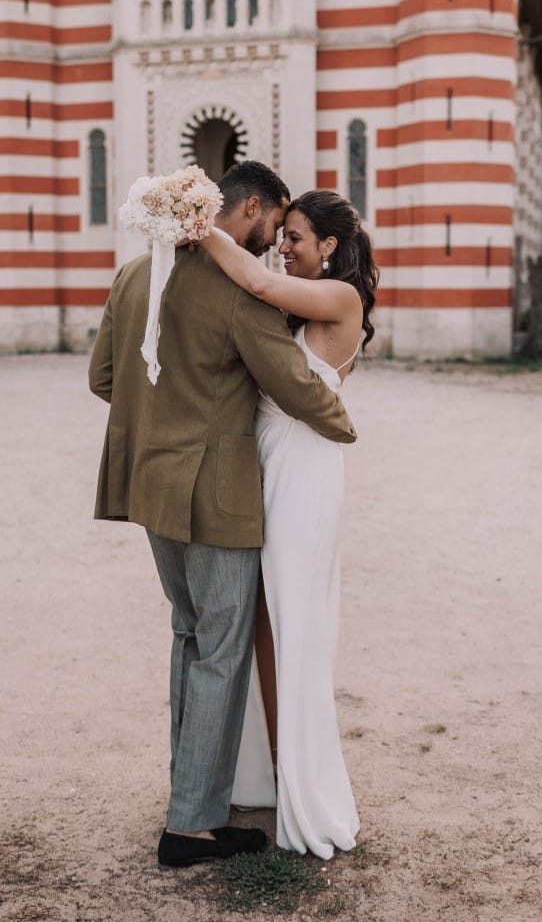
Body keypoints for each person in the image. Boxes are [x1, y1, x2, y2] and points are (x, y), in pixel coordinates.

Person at [88, 163, 357, 869]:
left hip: (151, 489)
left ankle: (192, 798)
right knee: (220, 649)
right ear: (257, 208)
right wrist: (343, 421)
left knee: (189, 636)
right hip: (216, 496)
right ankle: (193, 825)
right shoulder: (239, 297)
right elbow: (295, 387)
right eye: (277, 225)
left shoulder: (132, 276)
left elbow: (103, 379)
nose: (275, 242)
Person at [199, 189, 379, 859]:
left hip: (304, 472)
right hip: (269, 466)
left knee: (294, 622)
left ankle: (304, 784)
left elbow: (248, 275)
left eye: (296, 237)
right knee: (265, 624)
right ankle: (275, 772)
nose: (284, 246)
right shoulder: (296, 295)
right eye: (285, 236)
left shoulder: (339, 300)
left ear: (329, 246)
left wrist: (190, 220)